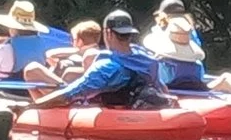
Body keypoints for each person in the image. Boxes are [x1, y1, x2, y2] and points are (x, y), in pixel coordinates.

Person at [33, 9, 167, 108]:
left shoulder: (107, 67)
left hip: (123, 115)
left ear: (107, 33)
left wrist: (31, 107)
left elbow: (71, 94)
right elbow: (162, 88)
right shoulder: (146, 58)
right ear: (130, 34)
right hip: (149, 106)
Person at [0, 0, 68, 83]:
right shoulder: (43, 46)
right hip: (33, 93)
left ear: (12, 27)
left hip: (7, 93)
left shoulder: (3, 49)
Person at [27, 19, 101, 87]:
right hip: (69, 90)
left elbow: (49, 54)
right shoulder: (100, 56)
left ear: (80, 41)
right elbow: (49, 55)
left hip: (68, 93)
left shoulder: (90, 56)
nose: (72, 42)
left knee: (33, 68)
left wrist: (78, 51)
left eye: (74, 39)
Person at [149, 15, 208, 92]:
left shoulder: (161, 62)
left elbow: (157, 81)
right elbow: (201, 78)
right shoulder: (198, 65)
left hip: (169, 93)